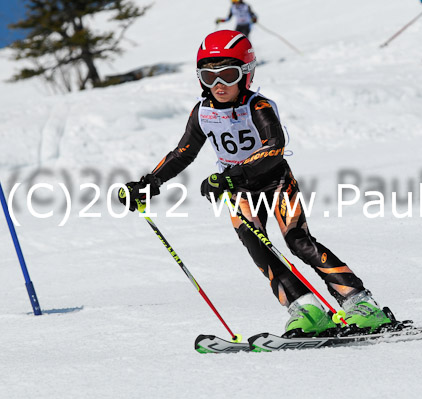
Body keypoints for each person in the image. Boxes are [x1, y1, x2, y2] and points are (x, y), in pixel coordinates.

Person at [118, 30, 394, 338]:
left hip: (276, 183)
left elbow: (274, 148)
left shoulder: (259, 107)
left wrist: (227, 177)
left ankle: (360, 302)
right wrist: (149, 183)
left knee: (298, 242)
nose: (218, 84)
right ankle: (306, 309)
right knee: (258, 247)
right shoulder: (203, 113)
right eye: (208, 76)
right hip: (239, 192)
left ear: (246, 74)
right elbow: (182, 153)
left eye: (227, 74)